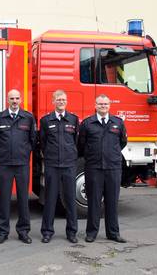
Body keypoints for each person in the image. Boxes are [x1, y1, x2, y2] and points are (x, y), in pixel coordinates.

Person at [0, 89, 37, 244]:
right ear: (7, 100)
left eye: (17, 98)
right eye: (12, 98)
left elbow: (33, 140)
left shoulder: (28, 118)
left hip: (22, 164)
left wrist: (24, 152)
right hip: (4, 165)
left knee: (23, 199)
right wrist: (3, 152)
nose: (14, 101)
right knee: (4, 199)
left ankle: (23, 231)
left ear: (21, 100)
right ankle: (3, 232)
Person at [78, 94, 128, 243]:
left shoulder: (117, 123)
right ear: (95, 105)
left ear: (110, 105)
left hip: (113, 168)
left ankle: (113, 233)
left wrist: (110, 155)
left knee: (112, 201)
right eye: (100, 104)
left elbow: (122, 142)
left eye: (105, 104)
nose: (103, 106)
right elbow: (81, 145)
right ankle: (91, 233)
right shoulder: (87, 123)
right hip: (94, 168)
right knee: (93, 201)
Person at [39, 90, 79, 244]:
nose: (61, 102)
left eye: (63, 99)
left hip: (69, 165)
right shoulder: (46, 121)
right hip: (52, 165)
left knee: (70, 199)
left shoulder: (73, 120)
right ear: (53, 102)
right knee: (50, 199)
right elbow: (42, 142)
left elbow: (78, 141)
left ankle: (72, 232)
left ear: (66, 101)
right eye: (58, 99)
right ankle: (47, 232)